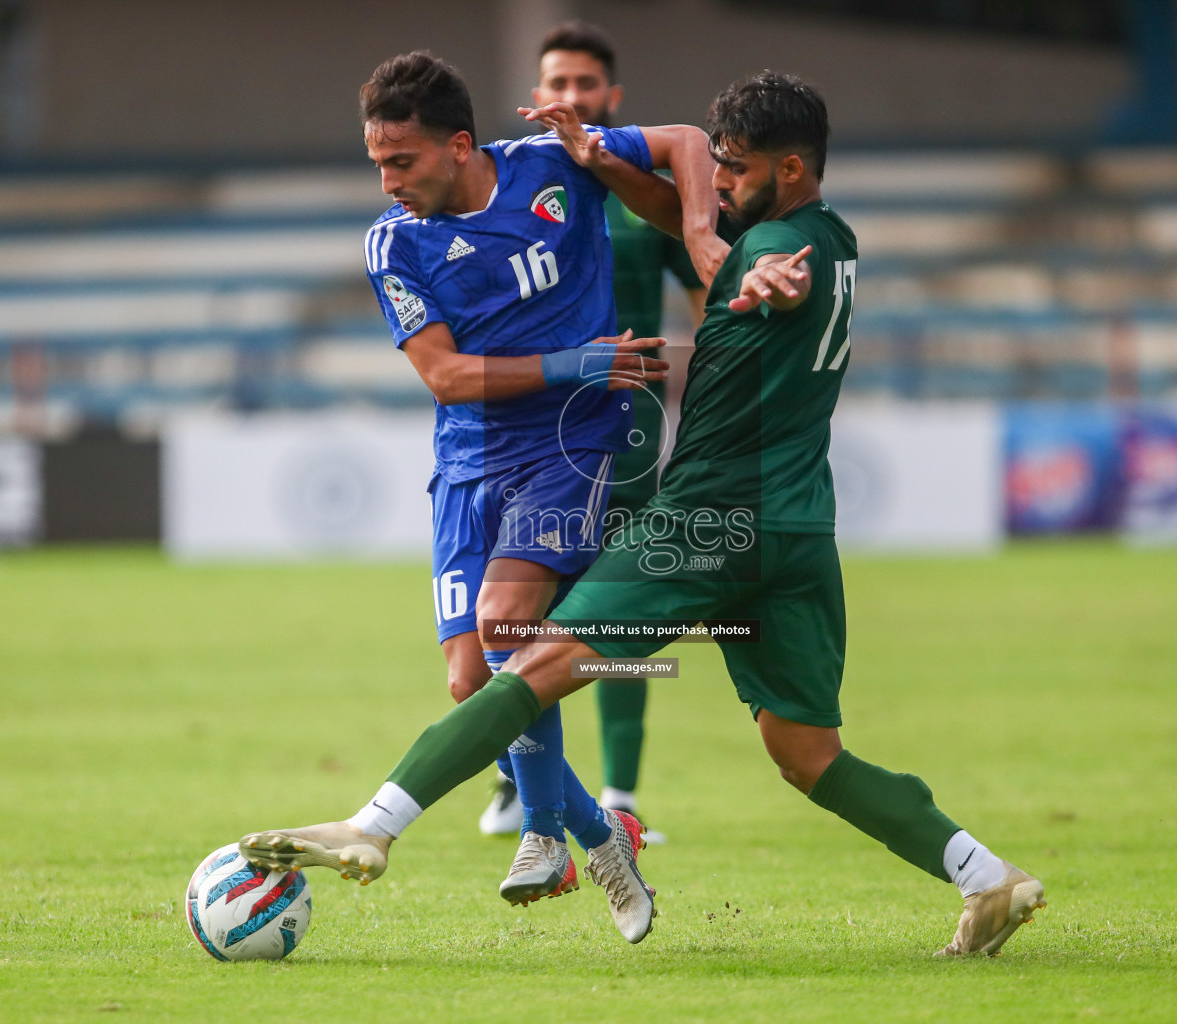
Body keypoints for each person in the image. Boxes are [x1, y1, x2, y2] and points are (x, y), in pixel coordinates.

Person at [243, 71, 1044, 957]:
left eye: (734, 170)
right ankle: (985, 876)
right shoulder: (833, 238)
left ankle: (376, 823)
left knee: (533, 664)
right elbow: (686, 215)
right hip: (800, 530)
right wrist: (607, 164)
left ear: (787, 169)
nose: (719, 185)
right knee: (808, 753)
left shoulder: (773, 258)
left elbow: (750, 271)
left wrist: (747, 273)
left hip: (706, 525)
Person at [246, 50, 718, 940]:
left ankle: (541, 830)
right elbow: (451, 378)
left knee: (505, 628)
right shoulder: (394, 242)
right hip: (468, 461)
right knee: (473, 683)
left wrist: (697, 231)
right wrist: (582, 357)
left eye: (403, 161)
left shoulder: (551, 165)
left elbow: (688, 140)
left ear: (460, 145)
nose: (387, 181)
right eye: (377, 161)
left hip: (572, 443)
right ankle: (597, 834)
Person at [478, 21, 707, 843]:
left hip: (624, 428)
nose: (570, 98)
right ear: (538, 97)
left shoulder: (641, 205)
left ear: (611, 97)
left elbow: (705, 281)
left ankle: (619, 791)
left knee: (609, 606)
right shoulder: (510, 192)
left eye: (585, 85)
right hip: (525, 428)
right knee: (508, 607)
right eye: (557, 85)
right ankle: (526, 776)